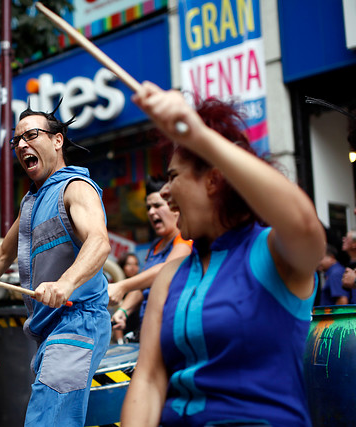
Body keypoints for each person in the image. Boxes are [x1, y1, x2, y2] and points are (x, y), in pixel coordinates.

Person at [120, 82, 325, 426]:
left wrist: (197, 135)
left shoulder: (272, 254)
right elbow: (149, 380)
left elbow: (305, 224)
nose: (165, 193)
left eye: (173, 177)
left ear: (214, 180)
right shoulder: (170, 278)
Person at [0, 105, 111, 426]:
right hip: (49, 331)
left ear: (57, 141)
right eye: (17, 141)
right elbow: (0, 256)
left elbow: (99, 241)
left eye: (32, 135)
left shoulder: (75, 188)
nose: (22, 144)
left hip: (78, 323)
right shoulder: (32, 203)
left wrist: (65, 283)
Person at [109, 179, 192, 341]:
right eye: (148, 208)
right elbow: (143, 286)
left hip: (173, 329)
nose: (152, 212)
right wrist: (123, 310)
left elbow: (166, 270)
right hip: (150, 330)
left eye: (157, 205)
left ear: (174, 207)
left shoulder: (185, 237)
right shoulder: (155, 246)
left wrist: (122, 286)